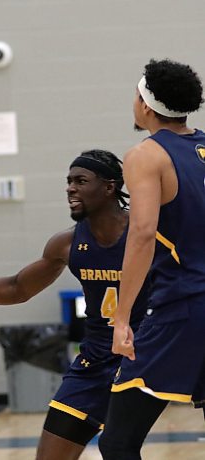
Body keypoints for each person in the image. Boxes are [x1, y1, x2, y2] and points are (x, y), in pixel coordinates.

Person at [0, 149, 150, 460]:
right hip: (95, 361)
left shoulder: (148, 233)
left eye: (81, 181)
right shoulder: (67, 243)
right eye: (68, 181)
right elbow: (18, 288)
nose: (70, 188)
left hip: (146, 356)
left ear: (109, 188)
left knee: (118, 448)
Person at [98, 58, 205, 459]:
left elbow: (142, 235)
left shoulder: (146, 155)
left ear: (145, 104)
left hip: (184, 309)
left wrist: (122, 317)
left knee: (117, 442)